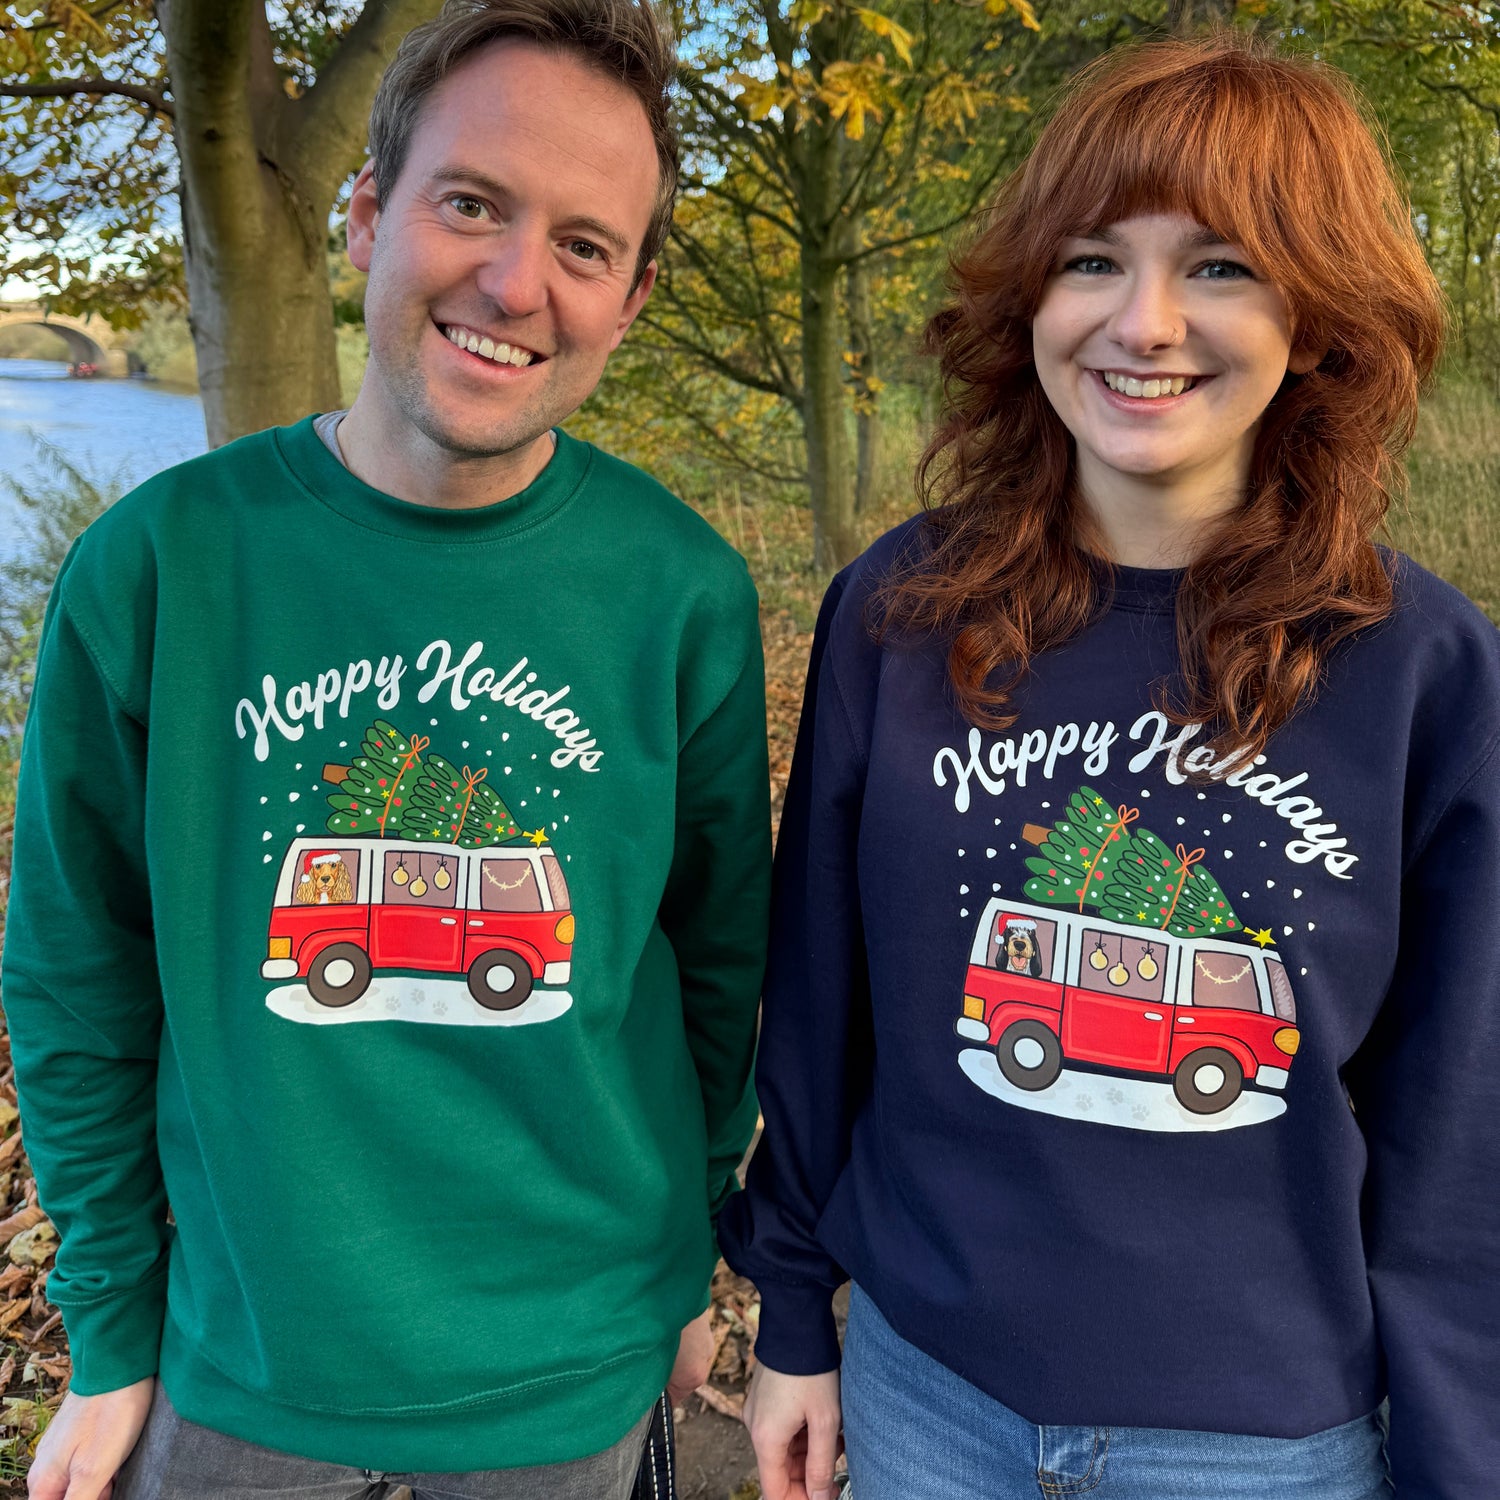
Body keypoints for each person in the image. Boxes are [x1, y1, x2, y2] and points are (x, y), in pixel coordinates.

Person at [3, 2, 770, 1497]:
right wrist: (108, 1327)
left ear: (630, 296)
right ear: (367, 215)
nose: (513, 280)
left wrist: (691, 1259)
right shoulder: (161, 568)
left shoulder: (680, 591)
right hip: (241, 1373)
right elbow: (77, 972)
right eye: (470, 203)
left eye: (584, 244)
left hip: (578, 1377)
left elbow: (721, 971)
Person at [718, 33, 1499, 1500]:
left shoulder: (1424, 674)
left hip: (1265, 1443)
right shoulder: (898, 614)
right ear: (1031, 298)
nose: (1144, 322)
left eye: (1218, 266)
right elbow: (822, 1008)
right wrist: (792, 1314)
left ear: (1317, 318)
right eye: (1092, 259)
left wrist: (1458, 1456)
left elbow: (1459, 1132)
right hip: (922, 1392)